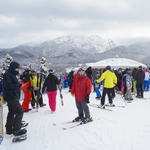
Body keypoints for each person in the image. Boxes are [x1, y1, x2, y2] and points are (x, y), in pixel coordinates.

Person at [3, 61, 27, 136]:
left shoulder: (11, 74)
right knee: (20, 111)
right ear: (13, 68)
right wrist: (18, 85)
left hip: (12, 96)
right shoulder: (7, 75)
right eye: (17, 68)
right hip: (11, 97)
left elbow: (13, 84)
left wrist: (18, 85)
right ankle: (16, 129)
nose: (18, 70)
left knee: (12, 113)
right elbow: (8, 85)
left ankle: (9, 129)